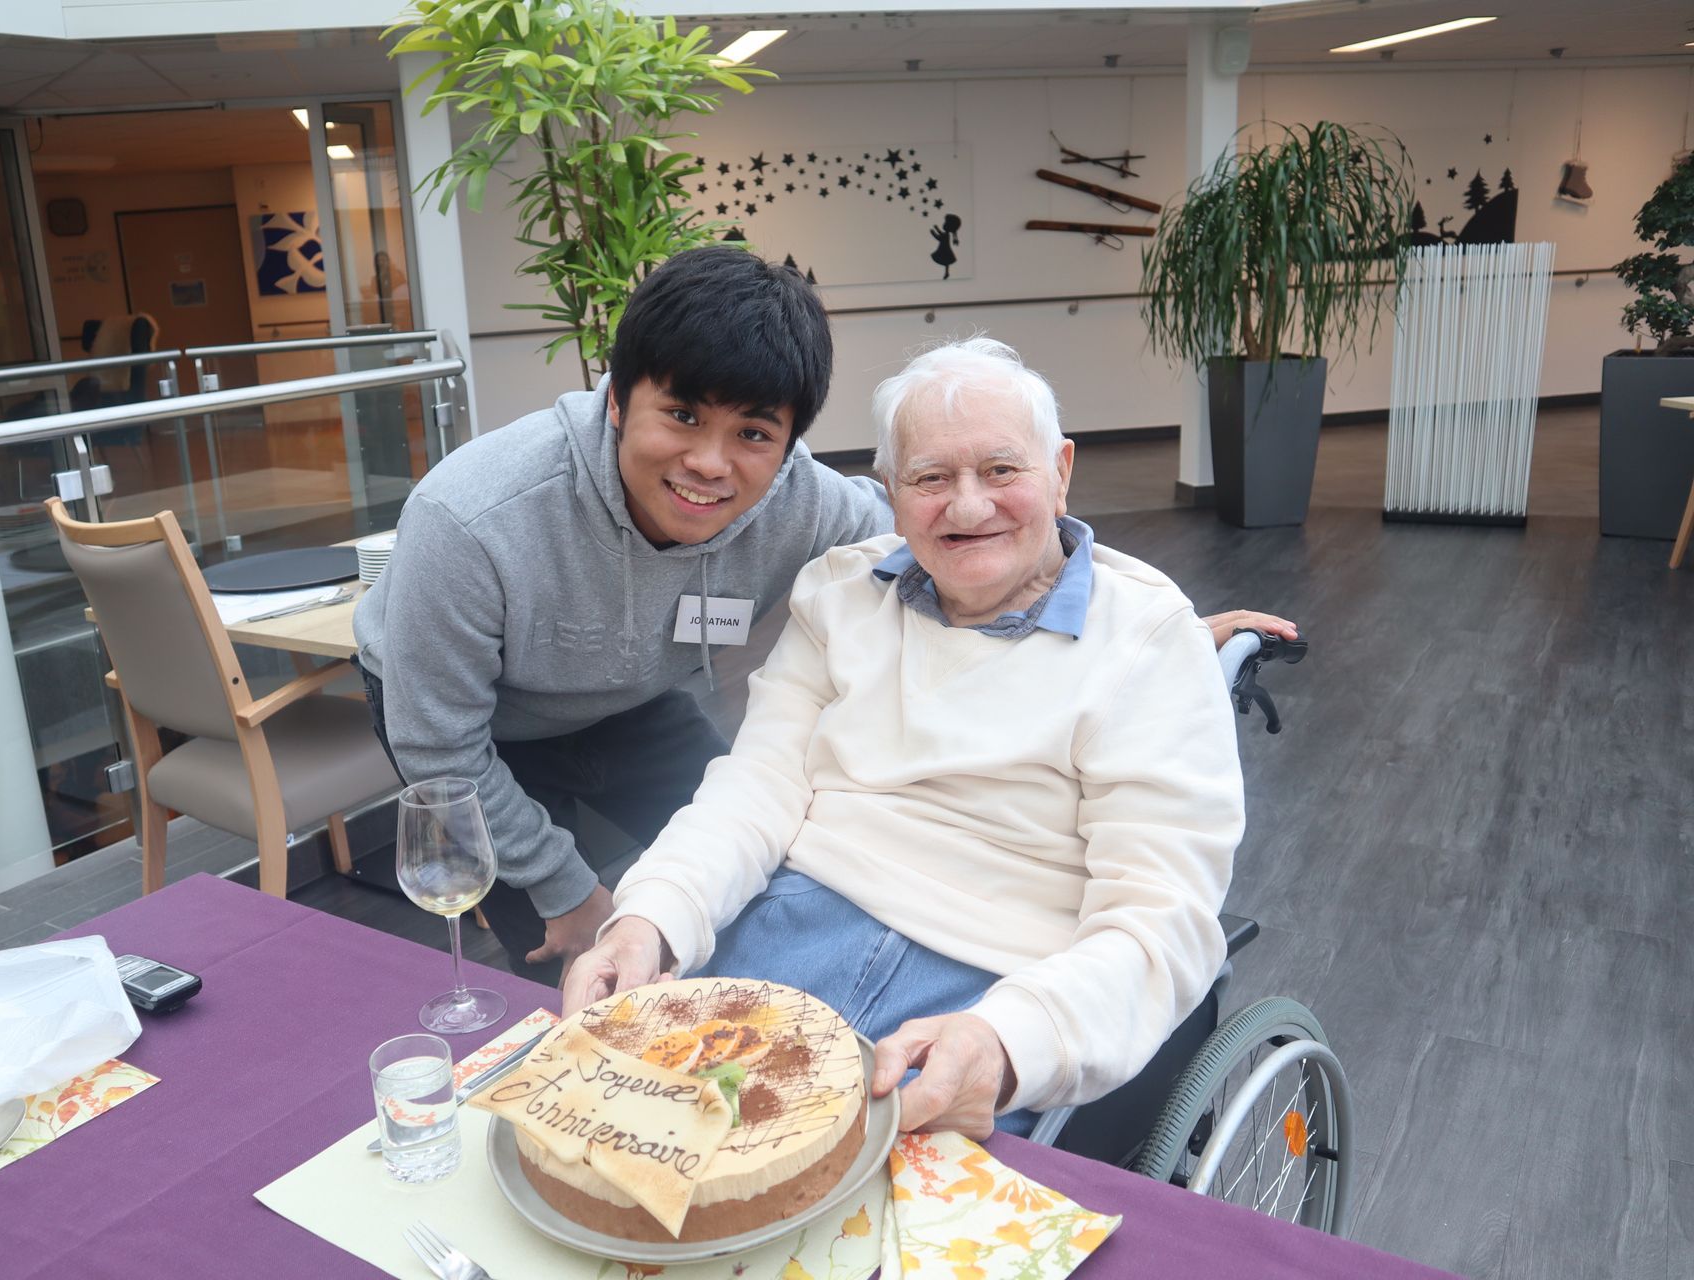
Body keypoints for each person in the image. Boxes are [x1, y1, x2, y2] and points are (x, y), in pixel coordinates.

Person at [356, 245, 1292, 988]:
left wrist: (1159, 628)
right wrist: (573, 897)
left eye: (753, 433)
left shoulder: (804, 502)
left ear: (793, 441)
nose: (712, 464)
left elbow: (968, 537)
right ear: (614, 401)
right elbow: (440, 747)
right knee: (565, 944)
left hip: (628, 698)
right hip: (474, 732)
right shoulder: (471, 521)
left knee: (722, 873)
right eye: (680, 416)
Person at [561, 337, 1245, 1142]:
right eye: (929, 478)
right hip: (783, 933)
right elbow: (755, 788)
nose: (966, 507)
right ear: (889, 490)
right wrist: (651, 918)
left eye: (1000, 471)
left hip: (995, 982)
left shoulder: (1149, 641)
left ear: (1060, 472)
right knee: (605, 1139)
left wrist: (1007, 1040)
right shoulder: (841, 594)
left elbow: (1159, 920)